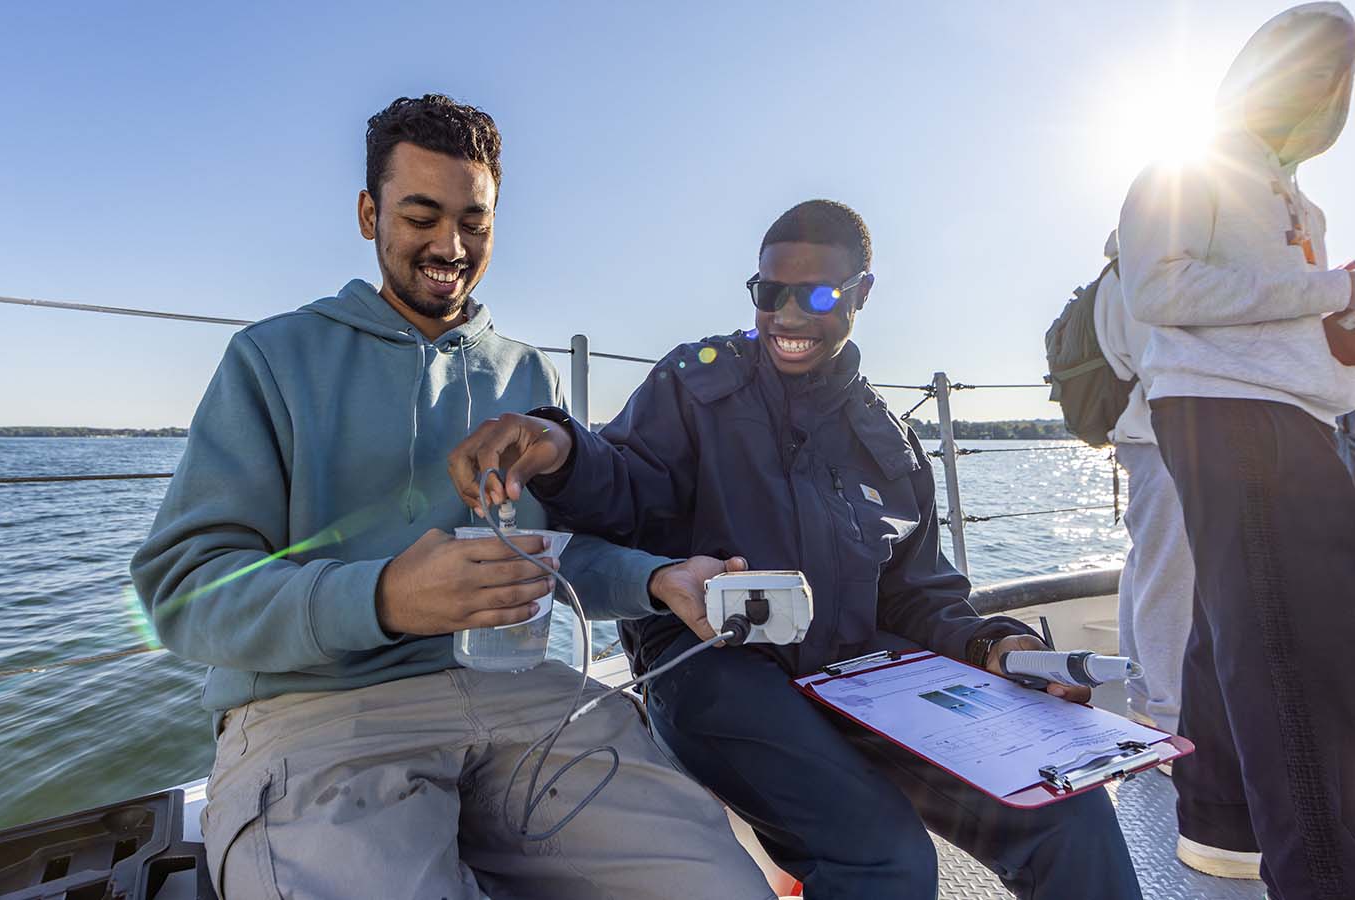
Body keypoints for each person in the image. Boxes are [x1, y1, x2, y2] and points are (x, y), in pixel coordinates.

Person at [130, 94, 774, 900]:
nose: (450, 245)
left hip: (524, 698)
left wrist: (656, 580)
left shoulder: (525, 375)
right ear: (369, 214)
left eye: (475, 221)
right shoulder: (270, 359)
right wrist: (385, 597)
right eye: (421, 215)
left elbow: (545, 560)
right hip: (322, 713)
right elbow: (184, 595)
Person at [449, 200, 1143, 900]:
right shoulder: (692, 387)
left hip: (863, 671)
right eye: (768, 293)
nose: (786, 316)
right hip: (712, 667)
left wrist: (996, 646)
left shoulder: (892, 444)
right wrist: (561, 447)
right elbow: (624, 489)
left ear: (862, 293)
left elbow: (920, 598)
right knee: (884, 856)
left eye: (815, 295)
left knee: (1068, 809)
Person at [1116, 5, 1355, 898]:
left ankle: (1221, 833)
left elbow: (1289, 309)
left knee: (1232, 626)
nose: (1329, 91)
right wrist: (1327, 286)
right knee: (1297, 653)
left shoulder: (1303, 199)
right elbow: (1158, 285)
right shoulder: (1184, 168)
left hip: (1300, 411)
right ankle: (1324, 877)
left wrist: (1337, 316)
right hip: (1230, 416)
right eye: (1315, 67)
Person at [1096, 229, 1263, 878]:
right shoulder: (1148, 274)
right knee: (1170, 571)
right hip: (1170, 433)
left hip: (1144, 436)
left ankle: (1153, 706)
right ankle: (1167, 726)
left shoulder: (1119, 273)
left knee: (1148, 567)